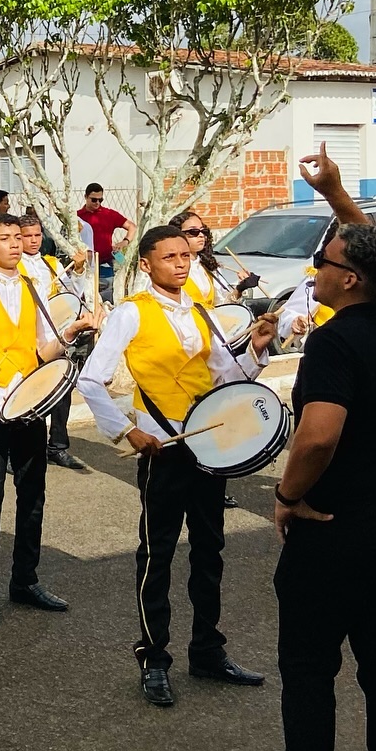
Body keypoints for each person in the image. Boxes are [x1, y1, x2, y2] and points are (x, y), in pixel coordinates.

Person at [225, 150, 376, 751]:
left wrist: (286, 497)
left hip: (333, 533)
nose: (314, 264)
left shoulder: (338, 338)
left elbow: (317, 434)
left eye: (324, 257)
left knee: (311, 675)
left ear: (348, 280)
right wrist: (338, 194)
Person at [78, 224, 275, 707]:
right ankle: (154, 658)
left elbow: (229, 379)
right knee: (158, 555)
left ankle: (208, 650)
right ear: (146, 264)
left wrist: (258, 347)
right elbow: (90, 380)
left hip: (209, 450)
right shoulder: (131, 313)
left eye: (185, 255)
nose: (181, 263)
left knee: (210, 551)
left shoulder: (202, 314)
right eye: (169, 257)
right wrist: (126, 431)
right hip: (163, 452)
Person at [0, 211, 92, 622]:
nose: (13, 243)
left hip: (30, 404)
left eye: (16, 236)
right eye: (4, 238)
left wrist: (73, 334)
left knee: (33, 494)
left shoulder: (33, 285)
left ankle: (25, 580)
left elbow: (45, 348)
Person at [19, 212, 89, 471]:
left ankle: (58, 447)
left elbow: (72, 294)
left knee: (62, 392)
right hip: (28, 338)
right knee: (29, 394)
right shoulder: (14, 267)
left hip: (55, 336)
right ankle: (22, 450)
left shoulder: (52, 264)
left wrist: (79, 269)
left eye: (37, 235)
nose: (34, 240)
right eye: (28, 236)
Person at [77, 184, 133, 302]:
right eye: (94, 200)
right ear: (85, 197)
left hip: (108, 259)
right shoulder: (77, 217)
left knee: (127, 272)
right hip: (88, 263)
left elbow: (132, 227)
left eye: (100, 200)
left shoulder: (109, 214)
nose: (97, 203)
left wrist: (125, 241)